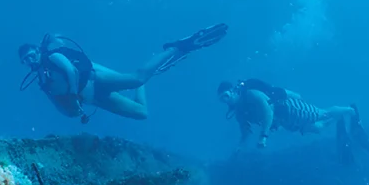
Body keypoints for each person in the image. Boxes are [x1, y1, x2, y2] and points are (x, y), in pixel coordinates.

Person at [19, 24, 228, 123]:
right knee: (141, 113)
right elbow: (57, 103)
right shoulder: (41, 82)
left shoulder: (52, 57)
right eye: (25, 60)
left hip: (96, 81)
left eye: (31, 55)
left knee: (137, 78)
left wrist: (73, 95)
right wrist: (72, 112)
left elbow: (68, 71)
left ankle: (178, 47)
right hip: (94, 99)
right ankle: (144, 82)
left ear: (38, 51)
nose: (30, 60)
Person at [217, 79, 369, 154]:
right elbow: (245, 131)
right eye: (222, 99)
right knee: (316, 129)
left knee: (322, 113)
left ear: (233, 91)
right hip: (283, 121)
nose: (225, 101)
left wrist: (263, 136)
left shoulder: (251, 94)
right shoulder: (238, 112)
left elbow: (268, 112)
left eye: (225, 96)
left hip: (290, 108)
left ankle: (351, 111)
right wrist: (240, 147)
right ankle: (340, 117)